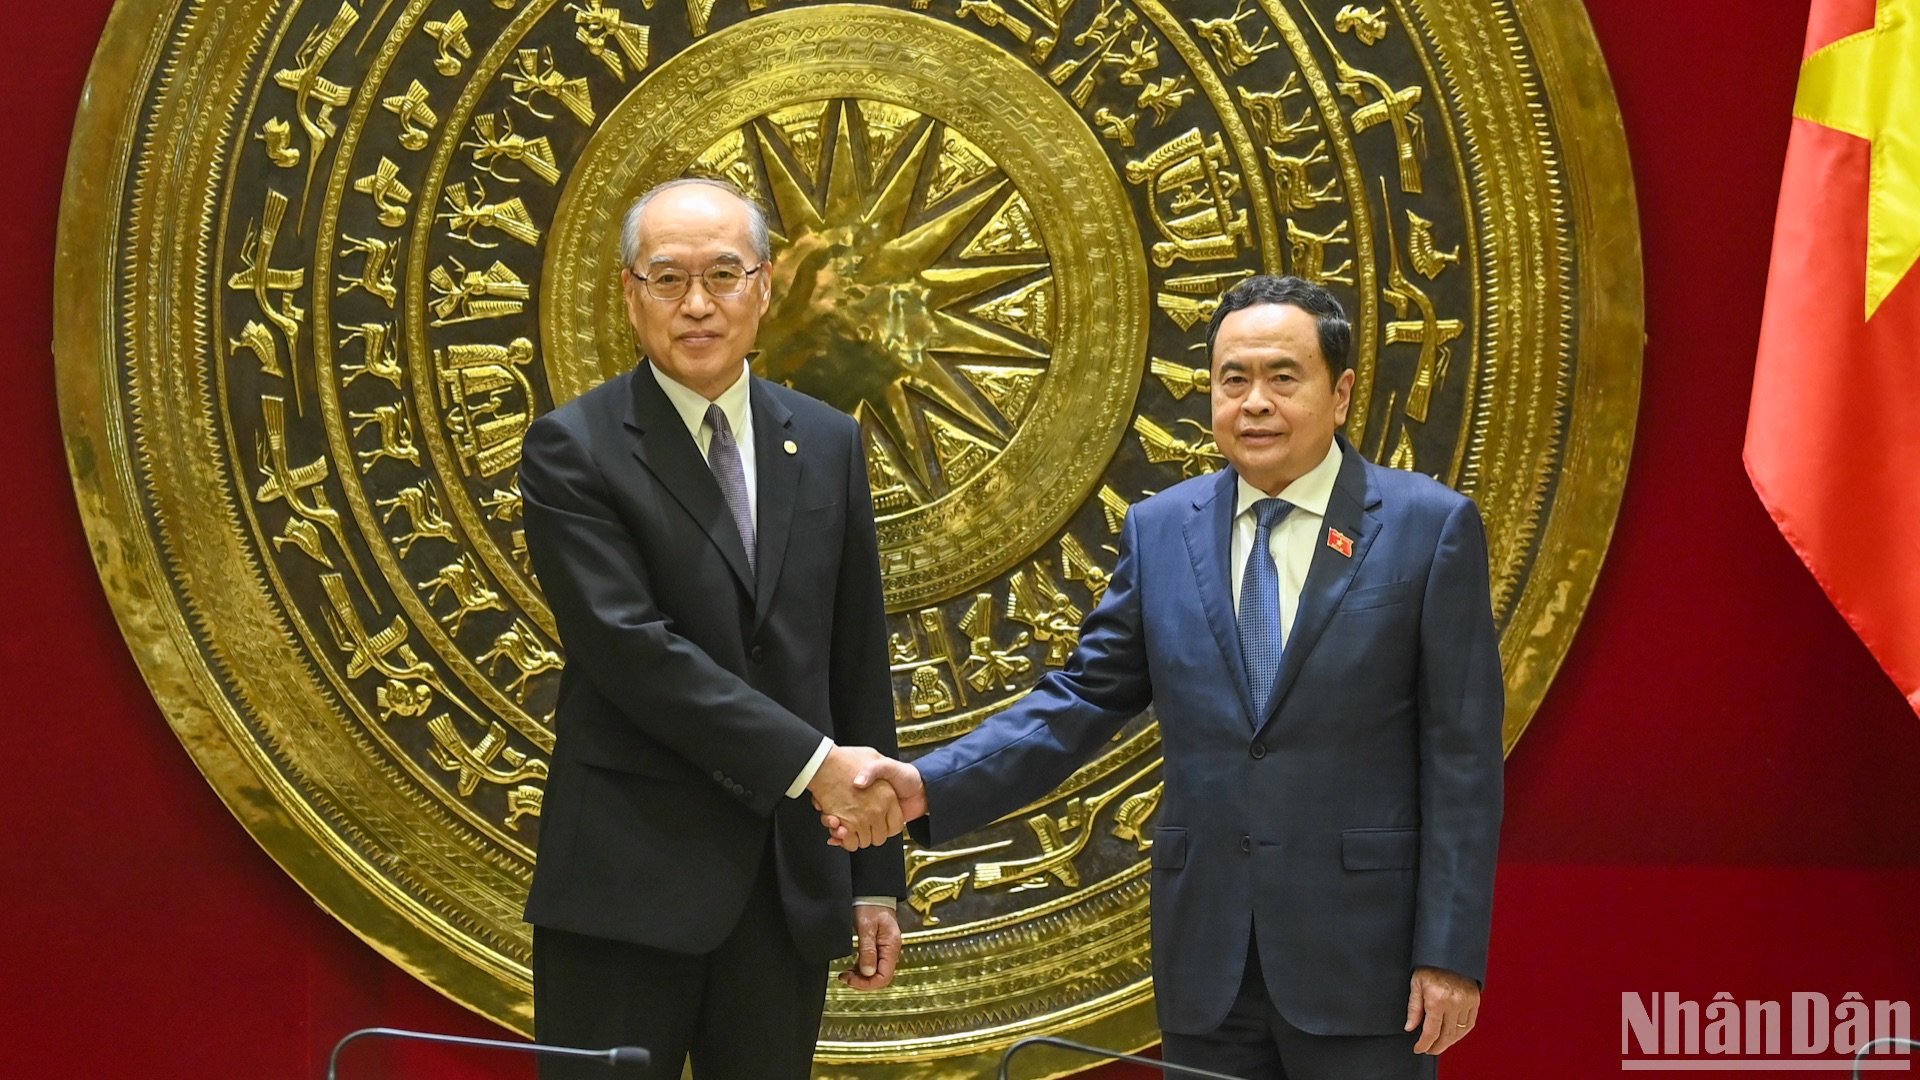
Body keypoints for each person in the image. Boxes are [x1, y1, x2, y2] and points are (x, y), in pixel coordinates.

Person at [831, 275, 1504, 1079]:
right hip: (1208, 964)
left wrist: (1450, 954)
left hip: (1366, 962)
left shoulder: (1429, 529)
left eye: (1282, 377)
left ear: (1342, 391)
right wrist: (925, 786)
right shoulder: (1161, 530)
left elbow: (1462, 757)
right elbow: (1079, 700)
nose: (1254, 402)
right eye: (1233, 379)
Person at [519, 177, 907, 1079]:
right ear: (630, 294)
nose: (698, 304)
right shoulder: (574, 448)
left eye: (724, 275)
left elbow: (854, 658)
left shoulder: (827, 441)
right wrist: (818, 769)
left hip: (783, 887)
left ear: (764, 288)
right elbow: (632, 651)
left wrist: (874, 875)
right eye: (667, 278)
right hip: (627, 888)